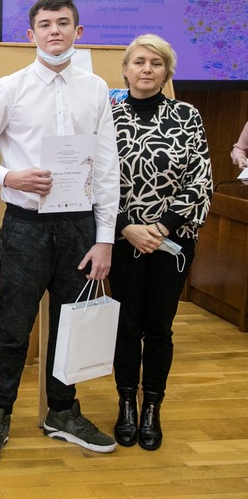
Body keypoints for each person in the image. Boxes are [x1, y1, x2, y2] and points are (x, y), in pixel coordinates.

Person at [0, 0, 121, 466]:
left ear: (78, 32)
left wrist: (104, 237)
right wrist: (8, 176)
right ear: (30, 35)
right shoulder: (9, 88)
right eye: (45, 24)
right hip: (26, 227)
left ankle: (62, 412)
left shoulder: (95, 89)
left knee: (71, 325)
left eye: (63, 23)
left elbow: (108, 168)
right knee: (14, 329)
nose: (54, 31)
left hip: (79, 227)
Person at [109, 34, 213, 451]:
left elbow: (200, 180)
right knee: (126, 326)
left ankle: (151, 405)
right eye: (139, 62)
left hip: (173, 243)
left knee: (159, 328)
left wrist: (163, 227)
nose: (147, 69)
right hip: (121, 239)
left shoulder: (187, 115)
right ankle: (125, 406)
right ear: (125, 70)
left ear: (167, 71)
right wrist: (125, 227)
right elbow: (91, 181)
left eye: (155, 62)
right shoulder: (106, 117)